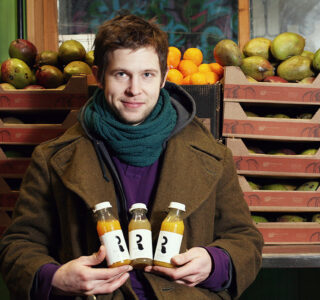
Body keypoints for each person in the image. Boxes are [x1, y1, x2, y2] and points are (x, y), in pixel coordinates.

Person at [0, 13, 263, 300]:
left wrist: (215, 262)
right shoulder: (51, 159)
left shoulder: (213, 156)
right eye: (121, 74)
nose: (134, 90)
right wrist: (55, 277)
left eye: (147, 75)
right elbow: (18, 245)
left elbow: (245, 240)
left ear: (164, 77)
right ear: (99, 76)